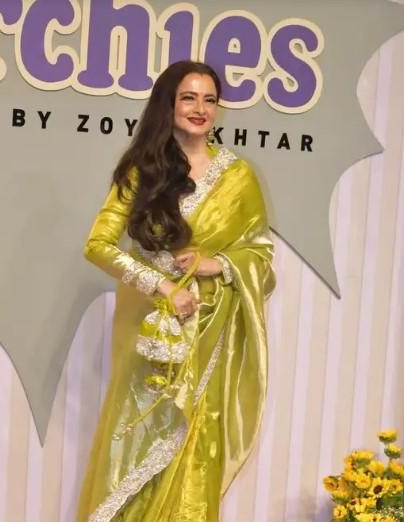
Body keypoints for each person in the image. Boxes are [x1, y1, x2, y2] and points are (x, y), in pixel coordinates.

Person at [76, 60, 275, 522]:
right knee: (135, 436)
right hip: (147, 334)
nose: (200, 109)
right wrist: (163, 286)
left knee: (196, 442)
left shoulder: (239, 177)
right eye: (189, 98)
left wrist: (217, 264)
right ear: (168, 104)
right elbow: (98, 246)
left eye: (209, 99)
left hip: (206, 332)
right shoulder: (142, 170)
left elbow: (261, 256)